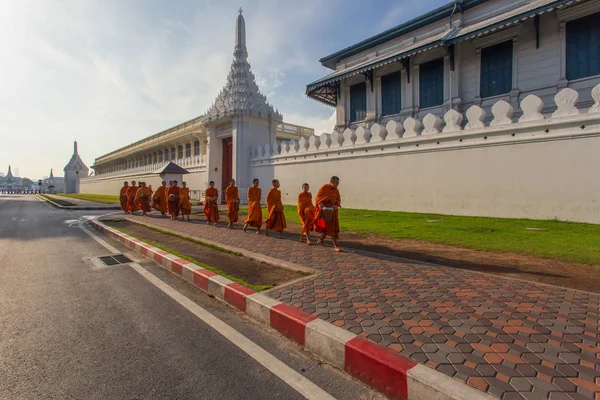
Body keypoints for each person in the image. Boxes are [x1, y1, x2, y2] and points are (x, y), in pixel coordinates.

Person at [313, 176, 342, 252]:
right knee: (332, 228)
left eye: (338, 183)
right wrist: (320, 204)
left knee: (327, 228)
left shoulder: (336, 190)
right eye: (335, 182)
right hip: (324, 211)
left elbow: (338, 199)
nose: (336, 184)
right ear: (331, 181)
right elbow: (318, 197)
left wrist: (336, 205)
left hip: (332, 211)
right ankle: (335, 245)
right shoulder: (325, 187)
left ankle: (320, 240)